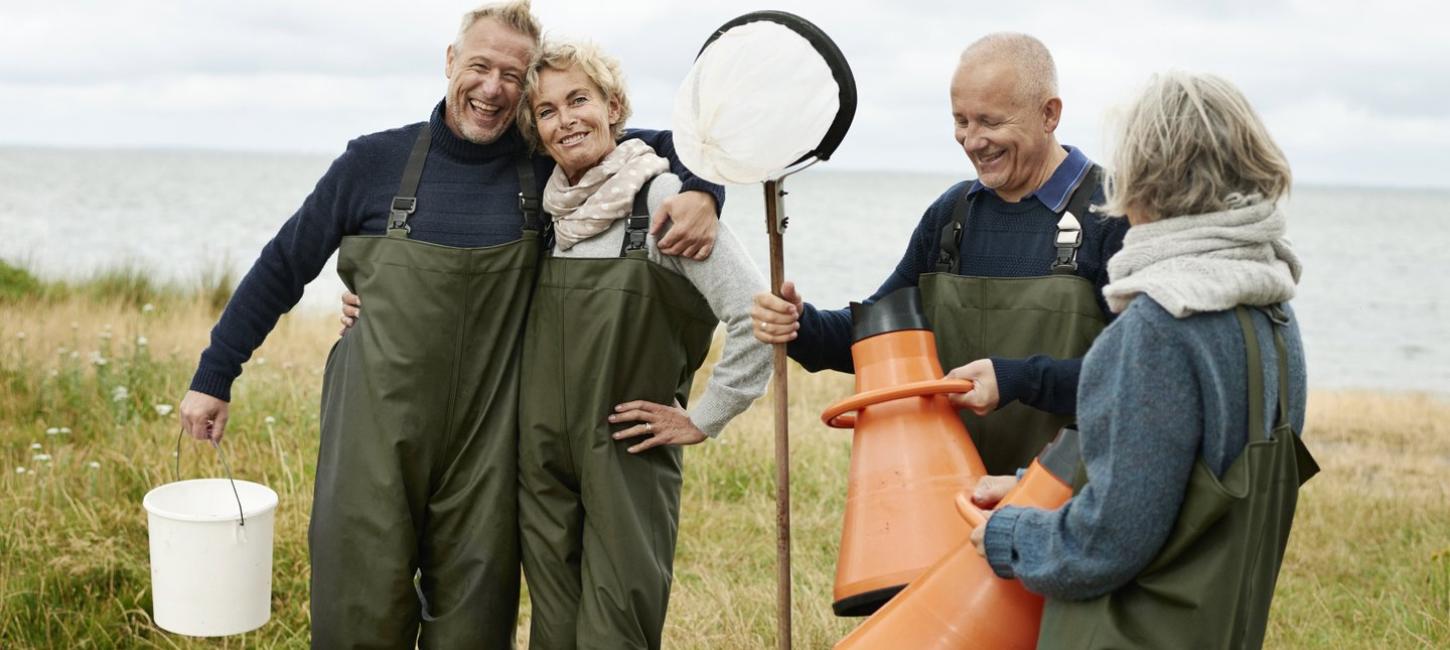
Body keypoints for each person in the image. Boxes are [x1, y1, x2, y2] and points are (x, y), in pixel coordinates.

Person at [175, 1, 724, 646]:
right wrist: (216, 374)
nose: (492, 89)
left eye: (512, 77)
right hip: (372, 441)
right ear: (449, 62)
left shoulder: (540, 167)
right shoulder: (372, 163)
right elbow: (283, 265)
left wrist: (701, 191)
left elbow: (650, 148)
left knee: (473, 629)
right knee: (358, 618)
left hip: (486, 454)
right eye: (479, 66)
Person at [968, 71, 1317, 649]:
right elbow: (1181, 479)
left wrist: (1011, 535)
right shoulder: (1272, 311)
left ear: (1143, 179)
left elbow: (1105, 542)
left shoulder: (1160, 326)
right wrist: (1032, 487)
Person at [752, 33, 1129, 475]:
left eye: (989, 121)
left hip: (1070, 502)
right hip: (949, 497)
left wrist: (1018, 380)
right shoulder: (951, 217)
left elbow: (1135, 375)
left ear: (1049, 114)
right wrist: (801, 326)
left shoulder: (1113, 214)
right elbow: (877, 337)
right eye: (961, 121)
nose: (972, 141)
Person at [509, 39, 769, 650]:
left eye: (580, 99)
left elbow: (754, 316)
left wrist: (703, 417)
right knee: (553, 634)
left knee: (617, 635)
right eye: (547, 111)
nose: (566, 119)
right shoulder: (543, 216)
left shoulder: (660, 200)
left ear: (614, 105)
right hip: (541, 467)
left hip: (628, 460)